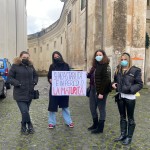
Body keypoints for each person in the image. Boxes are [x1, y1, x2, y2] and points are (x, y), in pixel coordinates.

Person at [112, 52, 143, 145]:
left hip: (130, 97)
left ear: (128, 60)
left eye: (125, 59)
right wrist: (113, 84)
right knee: (122, 117)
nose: (123, 61)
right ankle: (123, 134)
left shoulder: (135, 70)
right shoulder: (118, 69)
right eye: (121, 60)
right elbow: (114, 80)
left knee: (130, 118)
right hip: (120, 96)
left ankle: (129, 137)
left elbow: (139, 84)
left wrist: (130, 89)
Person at [8, 51, 38, 134]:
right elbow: (9, 78)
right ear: (20, 57)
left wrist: (34, 82)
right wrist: (18, 83)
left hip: (29, 93)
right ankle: (30, 125)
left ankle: (23, 125)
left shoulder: (30, 65)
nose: (26, 59)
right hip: (19, 93)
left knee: (25, 112)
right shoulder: (15, 66)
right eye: (24, 57)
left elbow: (35, 75)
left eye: (27, 57)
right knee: (24, 111)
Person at [47, 51, 74, 129]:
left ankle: (69, 121)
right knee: (52, 106)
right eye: (55, 57)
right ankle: (51, 122)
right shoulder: (52, 66)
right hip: (54, 89)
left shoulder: (66, 65)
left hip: (64, 89)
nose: (56, 58)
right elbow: (49, 76)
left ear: (60, 56)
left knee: (65, 106)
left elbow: (69, 76)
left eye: (57, 56)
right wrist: (50, 80)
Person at [89, 49, 111, 134]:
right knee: (92, 107)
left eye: (100, 54)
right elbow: (90, 76)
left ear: (103, 56)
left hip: (101, 90)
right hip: (92, 89)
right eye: (97, 55)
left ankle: (100, 128)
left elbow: (106, 80)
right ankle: (95, 124)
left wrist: (101, 93)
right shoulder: (95, 66)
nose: (98, 56)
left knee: (101, 108)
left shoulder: (106, 66)